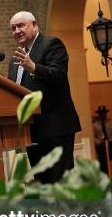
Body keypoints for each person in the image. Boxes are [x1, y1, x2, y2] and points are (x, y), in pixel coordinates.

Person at [7, 11, 81, 183]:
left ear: (34, 25)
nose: (16, 31)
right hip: (32, 131)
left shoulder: (51, 45)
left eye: (20, 26)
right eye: (13, 28)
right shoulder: (15, 59)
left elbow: (59, 76)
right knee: (43, 183)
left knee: (60, 181)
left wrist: (33, 67)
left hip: (56, 127)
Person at [93, 105, 112, 174]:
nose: (102, 114)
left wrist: (111, 140)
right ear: (98, 114)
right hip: (102, 148)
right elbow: (93, 137)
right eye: (100, 113)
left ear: (106, 113)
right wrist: (99, 142)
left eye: (103, 113)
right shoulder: (95, 125)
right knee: (103, 166)